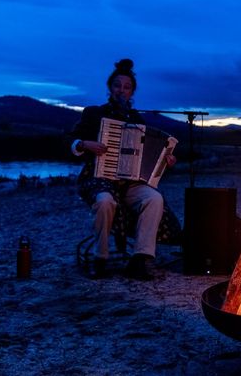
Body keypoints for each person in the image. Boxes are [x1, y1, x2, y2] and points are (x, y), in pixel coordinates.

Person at [69, 59, 177, 280]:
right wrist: (84, 144)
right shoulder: (94, 113)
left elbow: (148, 155)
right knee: (105, 201)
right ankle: (101, 257)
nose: (122, 90)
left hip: (130, 182)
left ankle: (141, 258)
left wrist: (165, 159)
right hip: (99, 177)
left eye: (127, 87)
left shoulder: (138, 119)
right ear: (110, 88)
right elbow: (69, 139)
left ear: (132, 92)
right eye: (118, 85)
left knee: (154, 199)